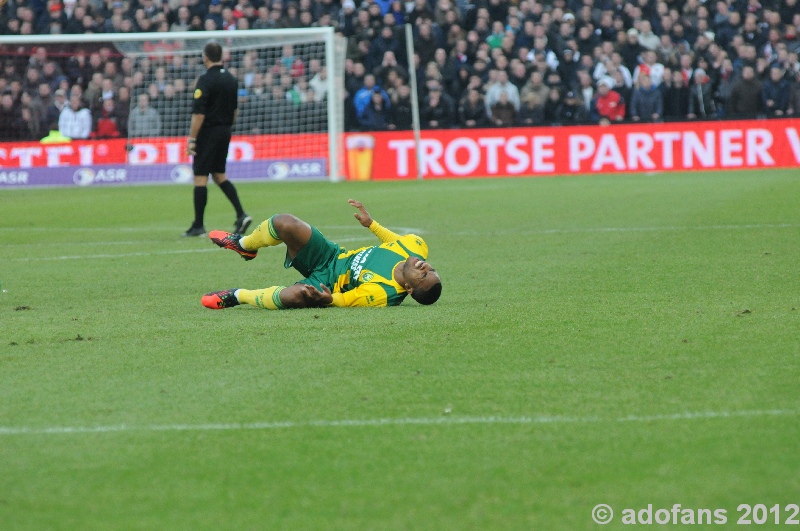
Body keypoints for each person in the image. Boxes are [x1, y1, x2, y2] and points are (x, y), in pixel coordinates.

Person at [202, 199, 442, 310]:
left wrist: (328, 299)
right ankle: (245, 244)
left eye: (423, 276)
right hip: (331, 256)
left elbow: (347, 300)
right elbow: (394, 241)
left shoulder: (383, 293)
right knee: (285, 222)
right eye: (431, 269)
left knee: (297, 296)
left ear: (409, 289)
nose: (425, 268)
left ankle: (237, 296)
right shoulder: (416, 245)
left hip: (326, 284)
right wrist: (371, 224)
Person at [184, 40, 251, 238]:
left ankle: (198, 225)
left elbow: (199, 115)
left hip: (208, 132)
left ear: (205, 57)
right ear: (221, 56)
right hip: (225, 130)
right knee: (219, 174)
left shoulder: (204, 80)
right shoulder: (231, 79)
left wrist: (192, 139)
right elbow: (235, 111)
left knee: (200, 177)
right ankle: (241, 214)